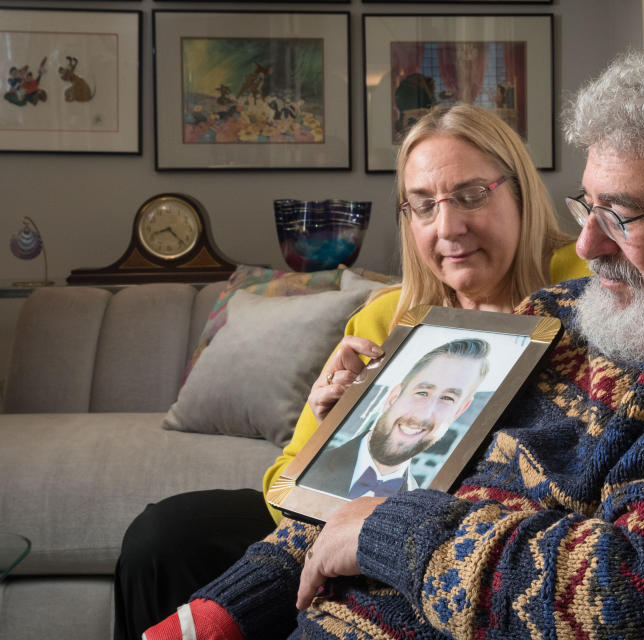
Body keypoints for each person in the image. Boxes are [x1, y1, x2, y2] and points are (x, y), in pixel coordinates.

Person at [144, 42, 644, 640]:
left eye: (623, 214)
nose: (588, 241)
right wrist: (221, 612)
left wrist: (388, 535)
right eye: (587, 204)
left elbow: (636, 604)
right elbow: (365, 495)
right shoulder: (561, 318)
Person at [113, 103, 590, 640]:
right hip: (346, 519)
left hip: (472, 534)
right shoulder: (389, 317)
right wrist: (331, 437)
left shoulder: (591, 283)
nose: (448, 227)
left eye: (471, 195)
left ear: (520, 192)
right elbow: (283, 488)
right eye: (423, 206)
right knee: (164, 537)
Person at [299, 338, 490, 499]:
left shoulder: (425, 505)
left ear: (459, 411)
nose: (423, 414)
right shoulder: (308, 470)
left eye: (448, 399)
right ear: (393, 396)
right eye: (422, 392)